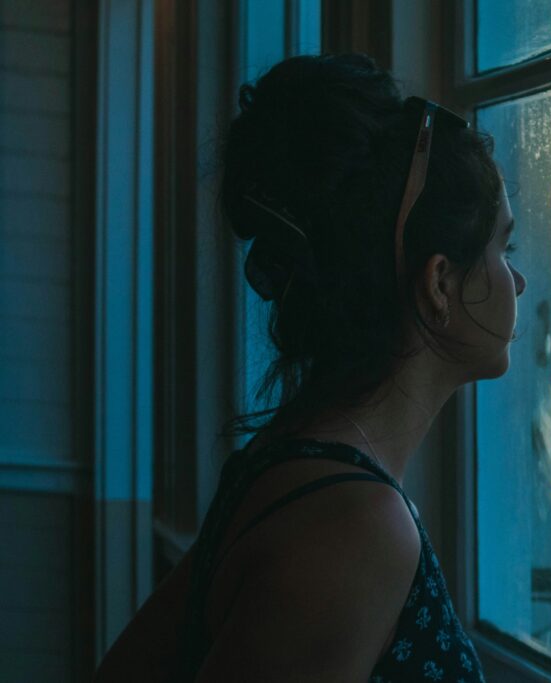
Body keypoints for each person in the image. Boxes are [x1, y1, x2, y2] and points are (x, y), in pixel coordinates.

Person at [94, 53, 526, 682]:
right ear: (438, 283)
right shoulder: (356, 528)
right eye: (503, 247)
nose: (518, 280)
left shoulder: (292, 460)